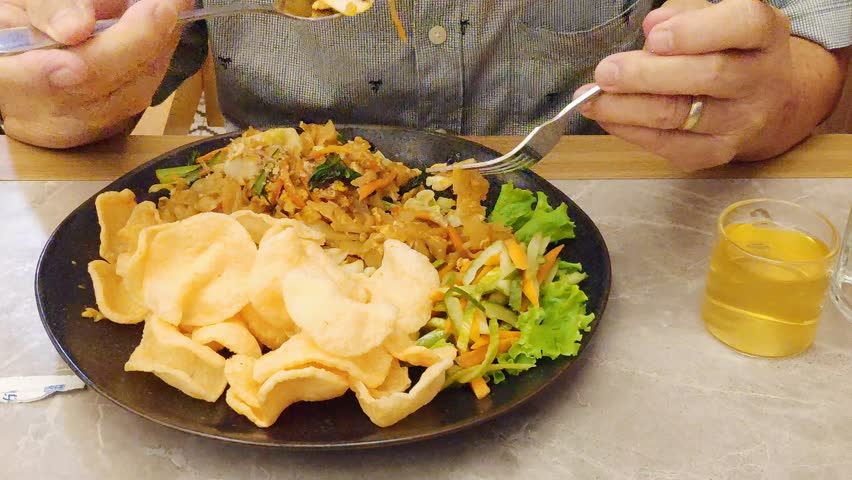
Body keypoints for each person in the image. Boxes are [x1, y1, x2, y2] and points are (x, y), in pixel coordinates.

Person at [0, 0, 848, 171]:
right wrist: (65, 91)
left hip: (614, 229)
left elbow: (818, 23)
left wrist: (794, 86)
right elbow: (71, 63)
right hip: (267, 230)